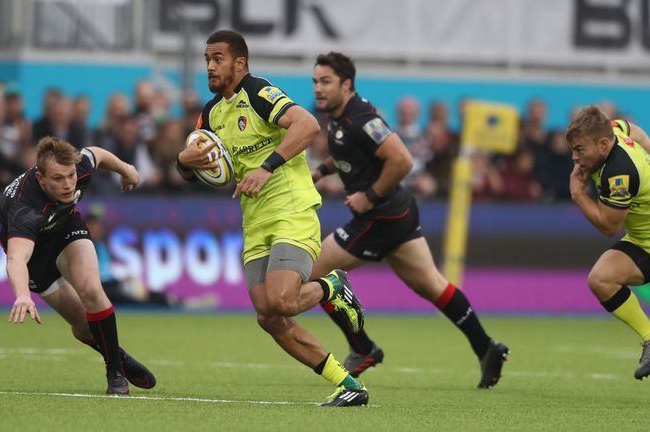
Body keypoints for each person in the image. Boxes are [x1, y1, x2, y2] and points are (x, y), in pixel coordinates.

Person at [175, 30, 368, 407]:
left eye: (218, 59)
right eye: (207, 59)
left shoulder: (260, 93)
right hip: (255, 220)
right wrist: (183, 163)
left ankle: (332, 287)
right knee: (268, 315)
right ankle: (348, 385)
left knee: (280, 300)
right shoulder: (211, 113)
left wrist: (267, 167)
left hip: (291, 209)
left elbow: (308, 125)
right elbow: (195, 168)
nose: (210, 66)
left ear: (240, 63)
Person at [309, 52, 509, 388]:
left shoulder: (360, 118)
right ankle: (486, 347)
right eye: (315, 81)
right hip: (396, 213)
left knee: (314, 273)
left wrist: (368, 196)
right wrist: (320, 171)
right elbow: (350, 151)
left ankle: (363, 348)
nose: (318, 88)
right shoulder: (342, 116)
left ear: (346, 84)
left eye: (325, 81)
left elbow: (401, 160)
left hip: (378, 217)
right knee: (432, 285)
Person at [0, 136, 156, 394]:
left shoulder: (77, 168)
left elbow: (97, 153)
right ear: (41, 179)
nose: (68, 184)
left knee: (92, 291)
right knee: (83, 326)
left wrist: (126, 170)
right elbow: (16, 258)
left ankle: (114, 372)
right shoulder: (24, 209)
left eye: (71, 175)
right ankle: (116, 353)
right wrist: (22, 295)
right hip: (36, 256)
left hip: (65, 228)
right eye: (58, 179)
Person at [567, 105, 650, 379]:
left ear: (603, 145)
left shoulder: (619, 172)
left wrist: (578, 195)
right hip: (646, 241)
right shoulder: (614, 128)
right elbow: (639, 134)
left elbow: (608, 225)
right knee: (601, 279)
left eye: (580, 150)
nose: (575, 157)